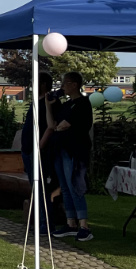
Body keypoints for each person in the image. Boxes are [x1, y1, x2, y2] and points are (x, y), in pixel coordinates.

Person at [46, 73, 95, 243]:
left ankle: (84, 226)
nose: (63, 86)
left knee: (74, 184)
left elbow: (64, 125)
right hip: (60, 149)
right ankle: (70, 223)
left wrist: (61, 127)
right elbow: (53, 125)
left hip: (74, 150)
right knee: (65, 186)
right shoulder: (67, 105)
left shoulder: (82, 103)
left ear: (74, 84)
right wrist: (48, 105)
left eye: (65, 83)